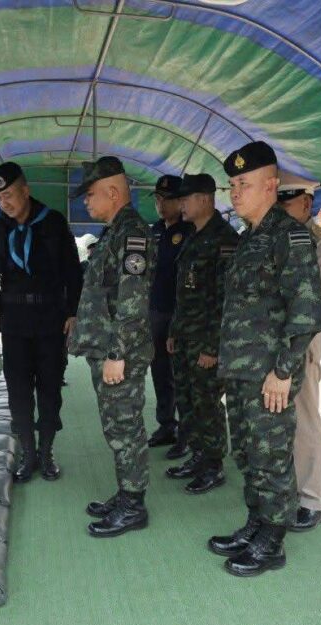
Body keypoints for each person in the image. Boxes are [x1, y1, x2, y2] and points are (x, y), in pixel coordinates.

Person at [208, 141, 321, 576]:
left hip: (268, 374)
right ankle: (256, 523)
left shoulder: (288, 237)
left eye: (244, 183)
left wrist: (283, 370)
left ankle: (272, 540)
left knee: (271, 456)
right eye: (232, 185)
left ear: (271, 186)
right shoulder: (249, 239)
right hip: (242, 371)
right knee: (248, 453)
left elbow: (307, 311)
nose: (235, 192)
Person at [0, 162, 81, 483]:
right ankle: (28, 454)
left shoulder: (54, 223)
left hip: (50, 321)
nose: (4, 202)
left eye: (9, 195)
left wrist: (73, 311)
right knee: (18, 392)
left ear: (26, 191)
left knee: (49, 389)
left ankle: (46, 453)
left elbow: (73, 271)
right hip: (14, 323)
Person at [69, 157, 156, 538]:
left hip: (120, 352)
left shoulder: (132, 234)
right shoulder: (113, 233)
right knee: (116, 426)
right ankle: (125, 494)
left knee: (125, 427)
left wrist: (117, 354)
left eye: (90, 194)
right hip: (107, 348)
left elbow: (132, 301)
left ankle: (134, 505)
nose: (86, 202)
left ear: (113, 192)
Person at [163, 173, 238, 493]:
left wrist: (212, 347)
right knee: (188, 401)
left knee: (207, 403)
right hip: (185, 337)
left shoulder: (224, 239)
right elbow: (184, 292)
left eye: (186, 198)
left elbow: (225, 300)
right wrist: (174, 330)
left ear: (205, 199)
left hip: (205, 341)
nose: (181, 204)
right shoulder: (194, 235)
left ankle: (214, 464)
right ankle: (198, 454)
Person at [276, 172, 321, 531]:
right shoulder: (276, 238)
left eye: (286, 204)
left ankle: (313, 497)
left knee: (304, 418)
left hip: (301, 341)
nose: (280, 211)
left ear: (306, 203)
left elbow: (309, 303)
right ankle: (288, 486)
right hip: (271, 342)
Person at [147, 176, 192, 454]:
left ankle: (186, 435)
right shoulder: (153, 231)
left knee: (181, 375)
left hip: (180, 314)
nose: (161, 205)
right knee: (160, 371)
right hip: (156, 311)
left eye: (167, 199)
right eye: (157, 199)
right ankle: (166, 425)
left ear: (181, 201)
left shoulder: (189, 231)